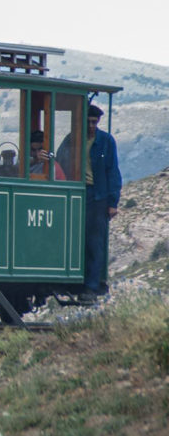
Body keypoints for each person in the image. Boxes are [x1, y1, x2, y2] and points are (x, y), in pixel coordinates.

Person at [82, 105, 122, 301]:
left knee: (94, 241)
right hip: (79, 193)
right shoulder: (73, 140)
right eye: (88, 121)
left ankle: (92, 284)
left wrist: (113, 201)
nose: (91, 126)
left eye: (94, 122)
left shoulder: (105, 141)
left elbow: (113, 171)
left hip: (98, 195)